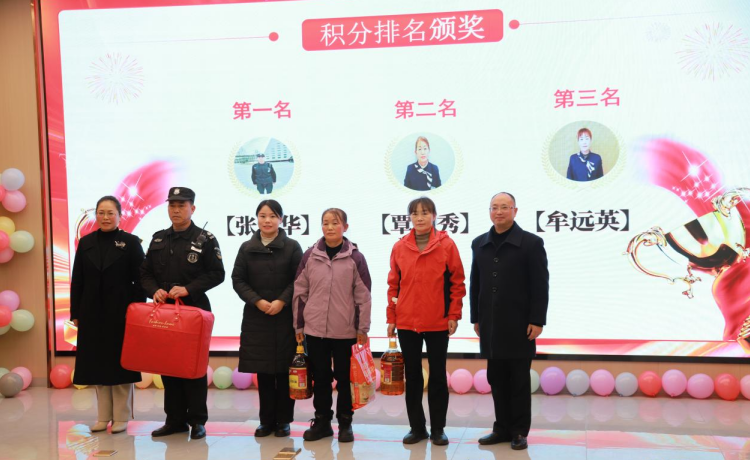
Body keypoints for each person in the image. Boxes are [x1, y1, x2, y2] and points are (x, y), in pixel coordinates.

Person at [140, 187, 225, 440]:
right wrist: (153, 290)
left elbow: (217, 273)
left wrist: (188, 289)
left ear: (192, 208)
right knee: (168, 365)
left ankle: (197, 421)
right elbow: (145, 273)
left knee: (194, 367)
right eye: (172, 205)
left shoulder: (205, 239)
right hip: (165, 312)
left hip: (194, 311)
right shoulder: (158, 239)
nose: (176, 210)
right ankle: (174, 420)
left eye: (181, 205)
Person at [471, 192, 549, 451]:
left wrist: (537, 319)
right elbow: (475, 284)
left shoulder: (531, 243)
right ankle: (501, 428)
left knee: (518, 381)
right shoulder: (479, 243)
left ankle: (519, 431)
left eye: (505, 207)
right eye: (494, 207)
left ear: (515, 211)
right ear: (489, 211)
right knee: (496, 378)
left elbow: (540, 285)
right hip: (490, 325)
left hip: (520, 325)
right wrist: (476, 318)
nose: (499, 212)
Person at [386, 197, 466, 446]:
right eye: (415, 213)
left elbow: (457, 283)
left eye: (425, 213)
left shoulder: (446, 245)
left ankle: (439, 428)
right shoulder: (400, 247)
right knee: (413, 376)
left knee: (438, 376)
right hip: (406, 321)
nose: (419, 218)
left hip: (437, 320)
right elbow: (393, 286)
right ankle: (417, 428)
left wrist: (453, 314)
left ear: (434, 216)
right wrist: (391, 317)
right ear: (409, 217)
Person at [292, 208, 372, 443]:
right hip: (314, 330)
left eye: (335, 223)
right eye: (325, 223)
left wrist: (362, 329)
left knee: (345, 380)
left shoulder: (356, 258)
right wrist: (298, 326)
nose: (329, 227)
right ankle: (322, 422)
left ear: (345, 227)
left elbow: (363, 296)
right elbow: (300, 292)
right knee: (321, 378)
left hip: (345, 331)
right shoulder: (310, 255)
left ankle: (345, 423)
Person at [70, 196, 145, 434]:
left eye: (110, 213)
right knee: (97, 365)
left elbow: (141, 281)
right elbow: (77, 280)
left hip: (121, 313)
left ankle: (121, 417)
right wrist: (76, 312)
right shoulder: (86, 242)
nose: (105, 217)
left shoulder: (131, 242)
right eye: (101, 212)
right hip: (91, 313)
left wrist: (136, 310)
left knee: (120, 365)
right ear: (96, 215)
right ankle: (103, 417)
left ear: (120, 216)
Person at [232, 200, 302, 438]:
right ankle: (266, 421)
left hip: (285, 317)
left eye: (272, 216)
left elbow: (299, 279)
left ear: (281, 219)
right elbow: (238, 280)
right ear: (257, 219)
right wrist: (257, 301)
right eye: (262, 216)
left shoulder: (292, 247)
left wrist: (282, 301)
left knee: (284, 371)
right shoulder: (246, 247)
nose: (267, 220)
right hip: (257, 317)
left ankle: (284, 421)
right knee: (263, 372)